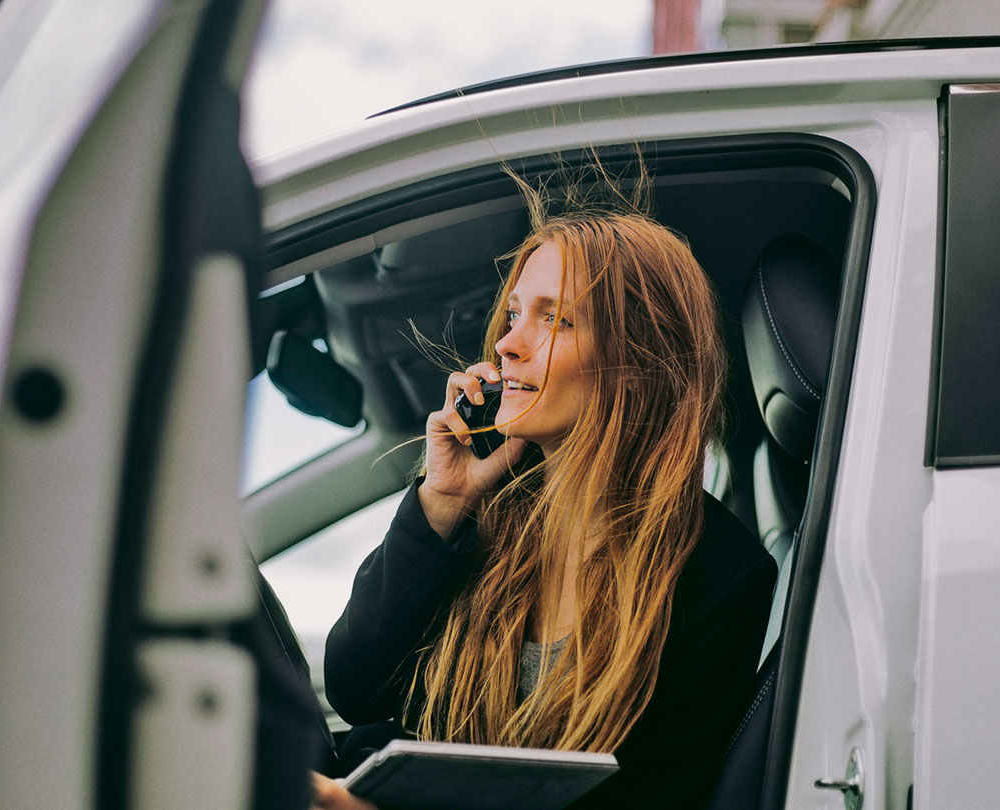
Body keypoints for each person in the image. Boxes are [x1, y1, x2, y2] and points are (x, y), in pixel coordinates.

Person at [313, 202, 777, 810]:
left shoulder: (719, 577)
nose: (507, 344)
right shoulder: (487, 516)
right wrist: (443, 499)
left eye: (554, 321)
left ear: (636, 361)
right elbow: (356, 688)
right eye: (512, 315)